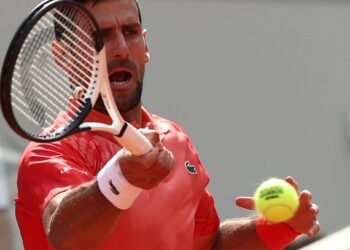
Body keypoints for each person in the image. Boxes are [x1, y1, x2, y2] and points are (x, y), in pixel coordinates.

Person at [14, 0, 320, 249]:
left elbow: (206, 246)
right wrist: (123, 177)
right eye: (101, 36)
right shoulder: (49, 152)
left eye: (131, 32)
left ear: (145, 46)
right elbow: (65, 235)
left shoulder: (175, 139)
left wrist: (276, 228)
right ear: (64, 57)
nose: (121, 48)